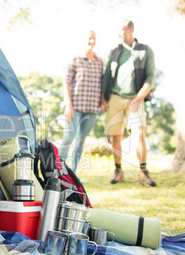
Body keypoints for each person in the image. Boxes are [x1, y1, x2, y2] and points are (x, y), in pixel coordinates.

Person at [100, 19, 156, 187]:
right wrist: (103, 98)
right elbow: (106, 76)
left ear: (131, 30)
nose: (119, 33)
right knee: (115, 135)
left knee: (139, 134)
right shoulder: (115, 51)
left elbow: (150, 78)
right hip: (115, 97)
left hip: (136, 98)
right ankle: (118, 171)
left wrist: (138, 98)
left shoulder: (145, 50)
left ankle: (144, 172)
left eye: (122, 29)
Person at [58, 30, 103, 172]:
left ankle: (72, 173)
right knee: (67, 138)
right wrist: (68, 105)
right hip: (75, 107)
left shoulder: (99, 62)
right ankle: (57, 172)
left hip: (91, 109)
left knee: (80, 141)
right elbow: (66, 83)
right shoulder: (75, 60)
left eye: (94, 39)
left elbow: (102, 84)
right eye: (89, 38)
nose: (91, 41)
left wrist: (102, 101)